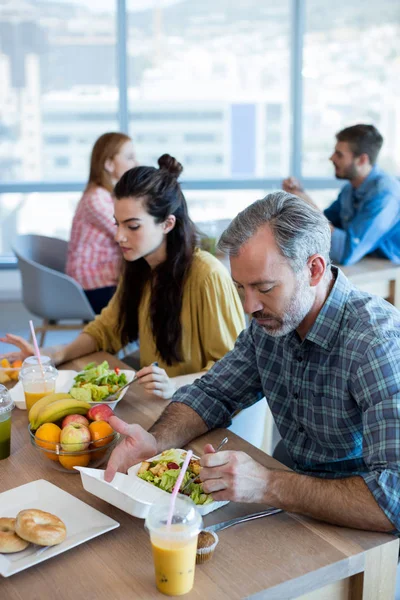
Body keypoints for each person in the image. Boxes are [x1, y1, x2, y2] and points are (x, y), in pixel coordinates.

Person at [103, 191, 400, 534]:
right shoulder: (273, 322)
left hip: (360, 517)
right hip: (295, 491)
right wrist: (156, 442)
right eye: (241, 287)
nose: (248, 306)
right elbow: (212, 393)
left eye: (264, 287)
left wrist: (267, 485)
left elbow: (393, 497)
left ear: (314, 270)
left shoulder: (376, 344)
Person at [1, 155, 245, 399]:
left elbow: (231, 370)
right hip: (157, 401)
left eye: (133, 226)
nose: (118, 236)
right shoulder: (140, 267)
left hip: (197, 406)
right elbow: (106, 330)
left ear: (167, 224)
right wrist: (50, 355)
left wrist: (174, 384)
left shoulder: (207, 275)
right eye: (117, 224)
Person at [282, 124, 400, 266]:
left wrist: (308, 204)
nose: (331, 158)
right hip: (367, 267)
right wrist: (300, 196)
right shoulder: (349, 190)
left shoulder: (385, 194)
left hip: (389, 274)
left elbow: (346, 252)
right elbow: (321, 229)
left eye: (339, 154)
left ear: (362, 160)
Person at [66, 132, 137, 314]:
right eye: (130, 157)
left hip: (107, 278)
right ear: (109, 164)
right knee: (152, 297)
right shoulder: (96, 198)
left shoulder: (110, 196)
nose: (136, 163)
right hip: (93, 285)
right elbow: (129, 234)